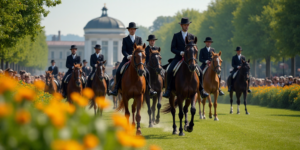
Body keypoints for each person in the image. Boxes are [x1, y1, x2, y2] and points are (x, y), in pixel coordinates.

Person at [163, 18, 209, 98]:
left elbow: (195, 49)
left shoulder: (192, 36)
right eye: (185, 25)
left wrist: (194, 57)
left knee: (200, 72)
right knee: (169, 70)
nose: (186, 26)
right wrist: (180, 53)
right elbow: (172, 48)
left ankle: (201, 90)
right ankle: (168, 90)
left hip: (190, 60)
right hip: (178, 58)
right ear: (181, 25)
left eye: (187, 25)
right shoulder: (176, 35)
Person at [110, 22, 157, 96]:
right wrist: (128, 56)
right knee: (118, 71)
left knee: (147, 72)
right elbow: (123, 50)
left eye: (134, 29)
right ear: (128, 30)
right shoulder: (125, 39)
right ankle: (116, 88)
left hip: (138, 60)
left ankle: (149, 88)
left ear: (135, 30)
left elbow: (141, 49)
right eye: (131, 29)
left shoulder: (139, 39)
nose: (132, 30)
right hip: (127, 59)